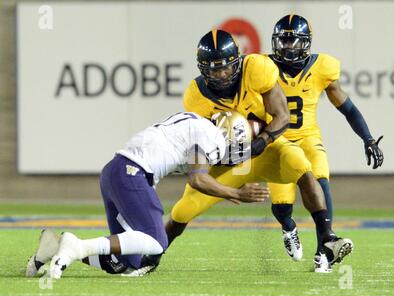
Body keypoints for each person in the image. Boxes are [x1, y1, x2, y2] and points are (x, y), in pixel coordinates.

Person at [139, 29, 354, 275]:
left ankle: (327, 239)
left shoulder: (257, 68)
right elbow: (199, 150)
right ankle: (154, 254)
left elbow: (282, 116)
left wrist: (261, 141)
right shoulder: (196, 95)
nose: (220, 74)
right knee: (184, 209)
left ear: (237, 62)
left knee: (300, 164)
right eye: (212, 69)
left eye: (225, 67)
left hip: (265, 148)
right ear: (201, 68)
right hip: (227, 160)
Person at [26, 111, 269, 279]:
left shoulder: (193, 122)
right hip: (132, 172)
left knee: (123, 261)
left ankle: (54, 247)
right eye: (239, 145)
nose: (235, 154)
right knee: (157, 242)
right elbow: (198, 178)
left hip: (114, 171)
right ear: (230, 134)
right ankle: (75, 246)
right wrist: (236, 192)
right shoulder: (212, 135)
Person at [266, 14, 384, 272]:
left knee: (320, 179)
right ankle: (288, 228)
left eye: (293, 41)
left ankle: (325, 248)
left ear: (305, 43)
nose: (287, 47)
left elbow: (348, 109)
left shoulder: (322, 68)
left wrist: (368, 138)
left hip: (308, 137)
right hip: (277, 141)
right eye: (283, 41)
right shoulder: (263, 68)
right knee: (282, 207)